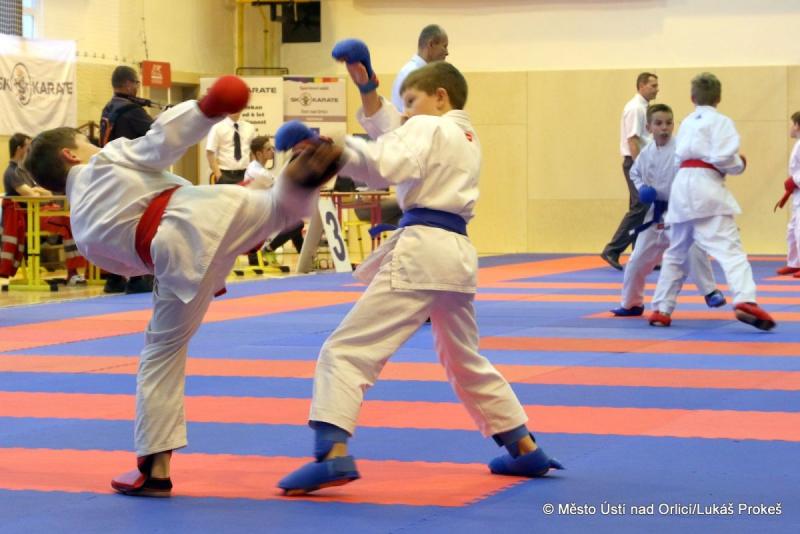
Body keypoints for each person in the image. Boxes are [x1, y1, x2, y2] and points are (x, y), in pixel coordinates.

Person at [24, 75, 345, 497]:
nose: (96, 147)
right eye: (86, 145)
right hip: (203, 213)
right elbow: (161, 143)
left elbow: (128, 267)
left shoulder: (82, 229)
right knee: (272, 207)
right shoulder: (106, 161)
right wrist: (206, 109)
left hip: (174, 264)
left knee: (161, 353)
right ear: (71, 155)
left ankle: (155, 466)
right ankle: (303, 171)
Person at [278, 39, 563, 496]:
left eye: (411, 101)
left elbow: (387, 161)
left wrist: (331, 149)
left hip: (422, 253)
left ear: (440, 97)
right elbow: (399, 135)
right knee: (464, 358)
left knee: (346, 350)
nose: (406, 112)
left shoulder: (429, 126)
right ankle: (524, 447)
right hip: (457, 255)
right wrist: (369, 92)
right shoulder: (464, 136)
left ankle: (332, 453)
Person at [648, 72, 776, 331]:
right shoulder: (721, 121)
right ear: (718, 98)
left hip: (681, 187)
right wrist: (740, 165)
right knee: (730, 250)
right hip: (706, 187)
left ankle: (662, 309)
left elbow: (678, 158)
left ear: (692, 98)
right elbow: (724, 157)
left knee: (676, 253)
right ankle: (745, 299)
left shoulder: (686, 123)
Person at [610, 104, 725, 317]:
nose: (664, 128)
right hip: (655, 214)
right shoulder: (646, 153)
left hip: (680, 211)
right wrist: (642, 188)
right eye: (659, 123)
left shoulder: (683, 149)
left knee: (692, 249)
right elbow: (634, 173)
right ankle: (632, 303)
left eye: (668, 123)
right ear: (649, 127)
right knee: (636, 260)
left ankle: (711, 292)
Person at [2, 133, 87, 285]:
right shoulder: (11, 172)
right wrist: (36, 191)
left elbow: (47, 193)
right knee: (68, 224)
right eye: (28, 146)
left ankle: (77, 271)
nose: (30, 149)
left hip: (38, 214)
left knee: (72, 220)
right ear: (19, 148)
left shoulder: (24, 170)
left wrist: (37, 191)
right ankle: (73, 273)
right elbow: (31, 195)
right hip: (26, 219)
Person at [100, 65, 156, 294]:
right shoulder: (132, 111)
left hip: (110, 175)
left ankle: (114, 278)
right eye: (136, 83)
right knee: (136, 227)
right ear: (128, 83)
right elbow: (156, 135)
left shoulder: (109, 108)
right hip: (132, 177)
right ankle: (137, 277)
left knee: (115, 227)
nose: (137, 87)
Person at [601, 72, 660, 271]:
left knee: (643, 208)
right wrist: (639, 167)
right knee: (641, 207)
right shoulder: (636, 108)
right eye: (653, 85)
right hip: (635, 162)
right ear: (641, 86)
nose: (657, 89)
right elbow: (633, 140)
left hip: (642, 162)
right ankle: (613, 249)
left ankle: (639, 256)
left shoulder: (643, 108)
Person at [244, 135, 304, 265]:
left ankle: (306, 259)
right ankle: (269, 249)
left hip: (264, 209)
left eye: (271, 148)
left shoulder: (258, 168)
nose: (272, 151)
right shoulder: (257, 171)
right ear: (259, 154)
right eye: (268, 149)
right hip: (258, 214)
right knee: (297, 223)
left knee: (294, 221)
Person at [390, 24, 448, 112]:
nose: (447, 52)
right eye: (444, 46)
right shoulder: (411, 74)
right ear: (431, 44)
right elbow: (410, 114)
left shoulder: (423, 73)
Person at [773, 111, 800, 277]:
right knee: (792, 230)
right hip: (797, 193)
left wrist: (794, 180)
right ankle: (794, 263)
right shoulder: (798, 144)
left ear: (798, 125)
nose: (790, 127)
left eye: (792, 124)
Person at [206, 111, 256, 185]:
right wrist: (218, 175)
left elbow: (253, 152)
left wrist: (253, 171)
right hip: (225, 175)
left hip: (246, 174)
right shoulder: (217, 127)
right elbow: (210, 153)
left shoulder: (250, 127)